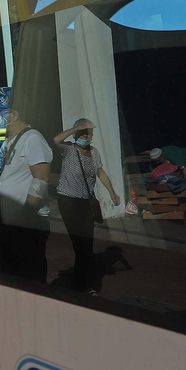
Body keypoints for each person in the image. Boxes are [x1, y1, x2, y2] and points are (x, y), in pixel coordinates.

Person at [53, 118, 121, 293]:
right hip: (68, 200)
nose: (86, 136)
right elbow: (56, 140)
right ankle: (88, 285)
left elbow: (100, 172)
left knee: (86, 244)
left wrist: (112, 192)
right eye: (82, 133)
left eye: (89, 133)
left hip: (86, 203)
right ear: (76, 134)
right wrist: (77, 126)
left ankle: (80, 284)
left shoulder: (94, 152)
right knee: (80, 244)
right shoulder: (68, 149)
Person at [0, 107, 53, 281]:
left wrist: (26, 213)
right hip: (9, 220)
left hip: (28, 221)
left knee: (30, 274)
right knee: (9, 271)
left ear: (14, 115)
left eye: (0, 115)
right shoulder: (8, 141)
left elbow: (41, 178)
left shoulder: (32, 138)